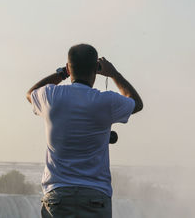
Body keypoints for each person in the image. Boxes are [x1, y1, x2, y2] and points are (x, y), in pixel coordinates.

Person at [26, 44, 143, 218]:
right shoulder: (105, 101)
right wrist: (114, 74)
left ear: (69, 67)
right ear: (96, 69)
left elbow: (31, 93)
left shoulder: (51, 96)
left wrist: (62, 74)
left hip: (57, 197)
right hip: (95, 197)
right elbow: (136, 103)